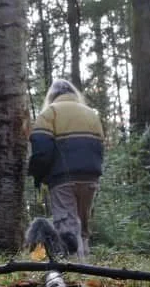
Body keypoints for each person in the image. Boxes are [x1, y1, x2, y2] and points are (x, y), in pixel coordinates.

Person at [27, 79, 105, 257]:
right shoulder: (91, 114)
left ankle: (73, 271)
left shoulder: (50, 113)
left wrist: (38, 176)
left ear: (52, 96)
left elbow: (41, 151)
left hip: (62, 178)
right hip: (91, 177)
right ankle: (87, 267)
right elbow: (100, 147)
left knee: (67, 225)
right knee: (83, 226)